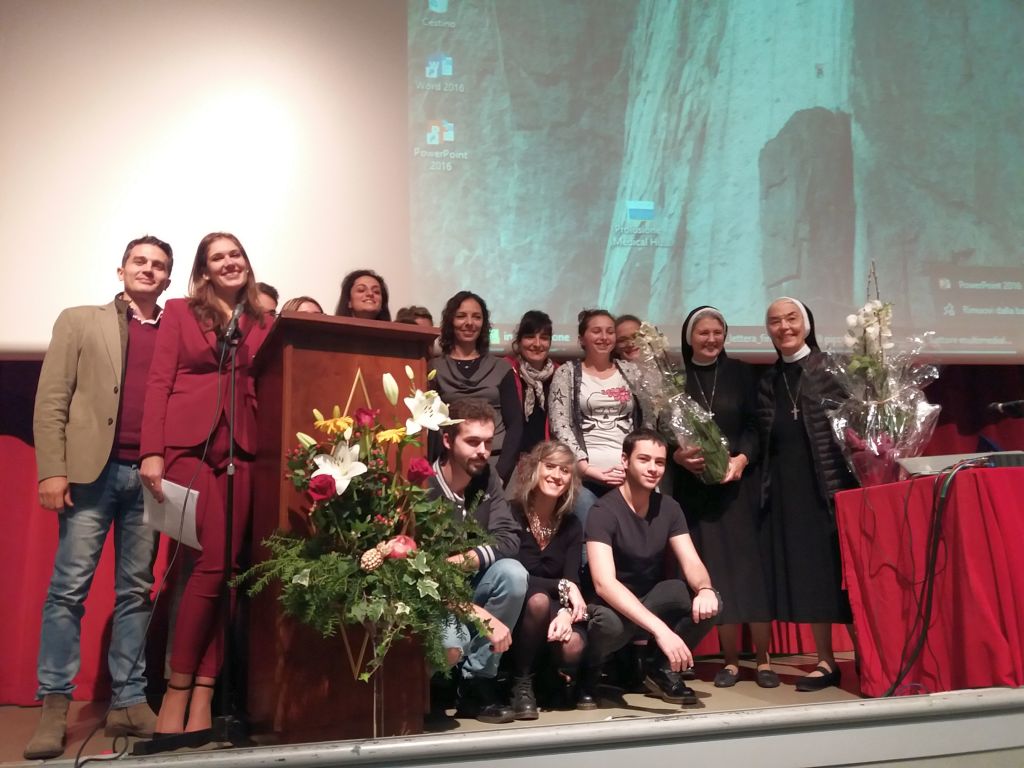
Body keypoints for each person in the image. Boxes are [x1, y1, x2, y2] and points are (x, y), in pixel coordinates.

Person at [25, 236, 173, 760]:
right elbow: (52, 399)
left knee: (136, 592)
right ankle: (55, 706)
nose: (148, 270)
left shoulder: (176, 331)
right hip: (91, 475)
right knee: (68, 591)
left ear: (169, 279)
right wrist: (52, 471)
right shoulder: (79, 319)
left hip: (149, 480)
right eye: (140, 261)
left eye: (158, 265)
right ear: (121, 270)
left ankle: (129, 702)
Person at [140, 232, 271, 737]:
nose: (229, 262)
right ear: (204, 270)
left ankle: (203, 698)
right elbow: (159, 381)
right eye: (218, 257)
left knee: (227, 572)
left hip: (242, 452)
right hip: (186, 450)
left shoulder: (264, 321)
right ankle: (178, 693)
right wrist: (152, 449)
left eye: (235, 254)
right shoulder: (179, 311)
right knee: (207, 567)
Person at [672, 306, 775, 688]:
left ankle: (763, 659)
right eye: (703, 333)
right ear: (689, 337)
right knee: (717, 573)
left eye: (718, 332)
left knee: (751, 572)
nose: (711, 339)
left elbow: (756, 425)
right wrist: (676, 455)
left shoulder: (744, 374)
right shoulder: (675, 382)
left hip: (739, 488)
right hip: (696, 492)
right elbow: (666, 434)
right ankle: (731, 661)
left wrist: (742, 459)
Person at [759, 297, 857, 691]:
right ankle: (825, 660)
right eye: (775, 321)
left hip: (830, 486)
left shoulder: (832, 369)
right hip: (788, 489)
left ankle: (871, 655)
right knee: (814, 577)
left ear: (807, 323)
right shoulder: (767, 380)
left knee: (845, 574)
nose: (784, 327)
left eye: (791, 319)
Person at [584, 429, 721, 707]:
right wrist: (661, 631)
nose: (653, 468)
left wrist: (705, 588)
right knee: (609, 625)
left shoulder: (668, 507)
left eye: (659, 462)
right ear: (625, 460)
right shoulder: (603, 511)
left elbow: (691, 561)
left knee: (709, 602)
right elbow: (604, 584)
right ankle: (588, 674)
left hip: (648, 599)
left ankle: (659, 668)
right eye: (644, 459)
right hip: (610, 606)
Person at [426, 398, 528, 724]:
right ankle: (431, 684)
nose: (483, 451)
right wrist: (482, 616)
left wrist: (467, 559)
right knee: (448, 649)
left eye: (488, 442)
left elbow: (510, 538)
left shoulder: (488, 478)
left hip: (467, 581)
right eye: (472, 442)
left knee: (513, 574)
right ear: (446, 440)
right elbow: (422, 574)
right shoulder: (423, 488)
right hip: (430, 593)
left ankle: (476, 684)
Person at [506, 441, 587, 718]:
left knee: (573, 644)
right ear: (534, 469)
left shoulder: (572, 524)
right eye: (550, 466)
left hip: (556, 605)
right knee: (537, 601)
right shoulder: (511, 514)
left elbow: (571, 578)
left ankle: (551, 678)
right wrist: (563, 588)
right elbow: (514, 576)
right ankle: (521, 682)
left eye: (565, 470)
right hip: (517, 606)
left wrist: (565, 611)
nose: (557, 475)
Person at [548, 309, 645, 528]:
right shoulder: (566, 373)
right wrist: (586, 469)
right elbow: (560, 425)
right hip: (585, 478)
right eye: (596, 331)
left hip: (629, 476)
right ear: (582, 338)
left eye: (610, 332)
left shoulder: (631, 372)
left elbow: (645, 423)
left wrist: (636, 466)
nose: (604, 337)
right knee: (590, 541)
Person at [431, 291, 523, 483]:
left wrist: (500, 473)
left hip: (495, 463)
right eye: (461, 316)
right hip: (450, 464)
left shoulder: (502, 368)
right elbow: (430, 426)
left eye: (476, 317)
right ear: (450, 321)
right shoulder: (433, 368)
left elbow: (515, 424)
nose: (469, 322)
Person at [505, 310, 558, 456]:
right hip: (513, 460)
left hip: (549, 459)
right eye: (530, 337)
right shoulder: (506, 370)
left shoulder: (560, 374)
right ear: (519, 341)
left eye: (544, 338)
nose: (537, 344)